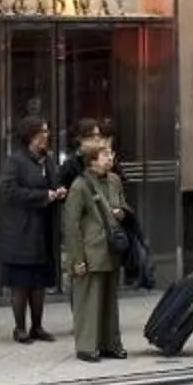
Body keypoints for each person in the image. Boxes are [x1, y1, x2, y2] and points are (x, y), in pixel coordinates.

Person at [61, 136, 131, 362]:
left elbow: (122, 204)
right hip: (91, 251)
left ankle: (111, 343)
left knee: (110, 301)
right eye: (105, 155)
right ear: (92, 161)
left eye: (110, 154)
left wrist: (121, 211)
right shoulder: (80, 186)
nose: (110, 158)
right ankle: (87, 346)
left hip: (111, 248)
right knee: (88, 301)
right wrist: (77, 258)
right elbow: (71, 224)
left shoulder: (114, 181)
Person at [0, 115, 64, 344]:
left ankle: (38, 326)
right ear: (30, 136)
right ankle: (20, 328)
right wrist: (42, 196)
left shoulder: (48, 161)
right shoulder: (15, 161)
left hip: (43, 228)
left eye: (47, 132)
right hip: (21, 229)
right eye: (42, 132)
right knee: (21, 281)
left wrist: (58, 192)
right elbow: (8, 191)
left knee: (39, 281)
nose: (46, 136)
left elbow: (54, 184)